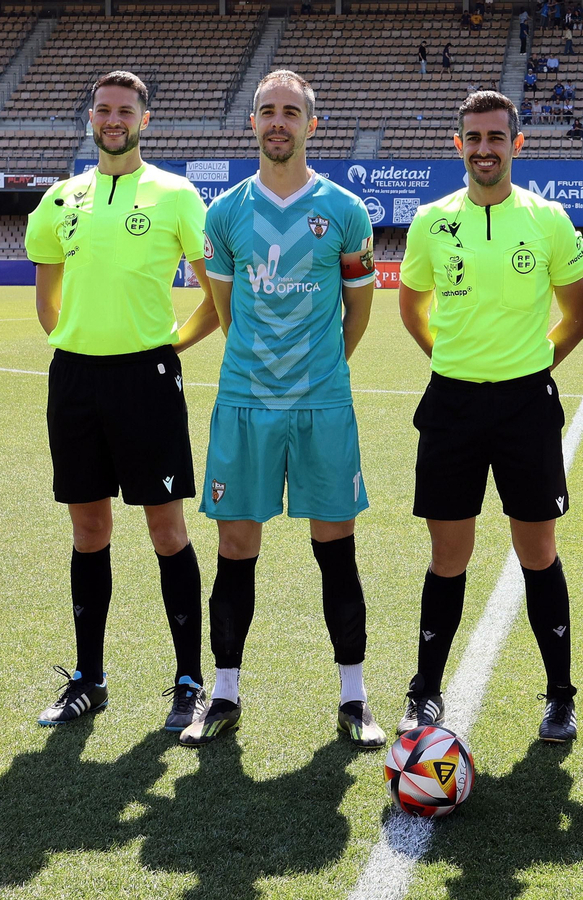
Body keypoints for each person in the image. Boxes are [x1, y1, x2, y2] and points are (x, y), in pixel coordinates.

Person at [182, 70, 385, 749]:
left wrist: (323, 369)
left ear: (311, 125)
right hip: (245, 403)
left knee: (336, 549)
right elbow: (225, 312)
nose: (278, 122)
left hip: (323, 404)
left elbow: (359, 310)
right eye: (267, 110)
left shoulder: (345, 211)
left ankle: (354, 698)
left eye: (291, 112)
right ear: (252, 123)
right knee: (235, 549)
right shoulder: (225, 213)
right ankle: (224, 694)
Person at [397, 91, 583, 742]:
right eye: (474, 138)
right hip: (451, 405)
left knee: (538, 551)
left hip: (525, 406)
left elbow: (580, 314)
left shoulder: (548, 219)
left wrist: (533, 365)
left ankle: (561, 696)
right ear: (459, 145)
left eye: (496, 137)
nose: (485, 149)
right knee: (448, 554)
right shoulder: (431, 221)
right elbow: (412, 307)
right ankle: (425, 691)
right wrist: (450, 358)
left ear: (517, 143)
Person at [24, 71, 219, 730]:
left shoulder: (176, 195)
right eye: (103, 109)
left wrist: (167, 347)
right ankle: (89, 680)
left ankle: (189, 681)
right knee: (89, 531)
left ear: (145, 119)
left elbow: (215, 297)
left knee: (167, 531)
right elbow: (47, 298)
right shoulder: (60, 198)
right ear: (91, 118)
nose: (113, 119)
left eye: (125, 111)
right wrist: (75, 342)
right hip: (74, 381)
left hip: (147, 380)